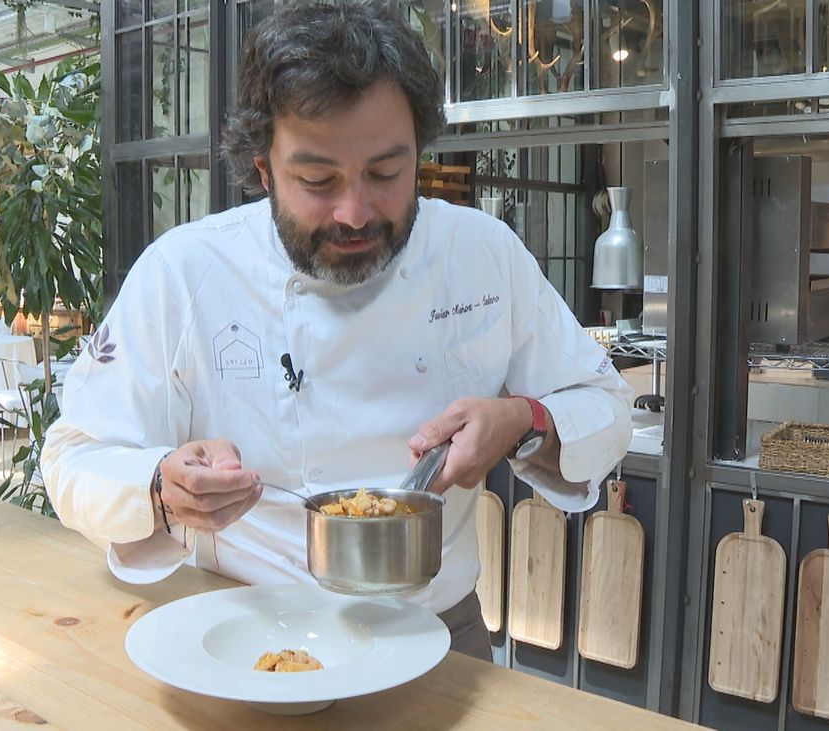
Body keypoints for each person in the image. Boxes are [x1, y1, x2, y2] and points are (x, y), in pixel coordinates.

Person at [41, 0, 633, 661]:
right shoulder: (184, 271)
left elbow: (604, 405)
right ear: (263, 168)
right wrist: (160, 485)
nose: (355, 212)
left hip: (439, 634)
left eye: (386, 173)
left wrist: (523, 419)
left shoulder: (481, 253)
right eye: (318, 180)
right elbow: (73, 457)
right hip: (242, 628)